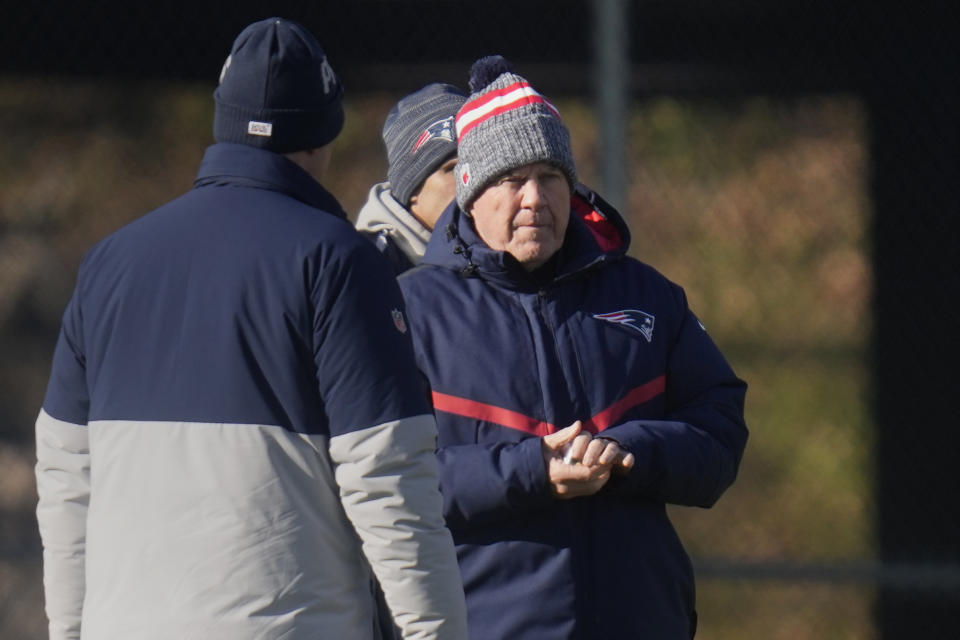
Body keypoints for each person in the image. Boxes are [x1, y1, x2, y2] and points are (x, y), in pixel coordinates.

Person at [33, 17, 468, 640]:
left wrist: (70, 630)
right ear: (324, 133)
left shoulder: (108, 263)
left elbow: (67, 475)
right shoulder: (338, 260)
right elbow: (389, 481)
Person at [397, 55, 749, 639]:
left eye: (551, 177)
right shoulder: (409, 312)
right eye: (511, 180)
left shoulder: (648, 296)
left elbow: (719, 433)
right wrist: (531, 471)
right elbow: (389, 481)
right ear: (471, 194)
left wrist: (629, 452)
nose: (534, 197)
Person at [356, 83, 467, 273]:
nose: (470, 179)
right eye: (452, 168)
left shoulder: (505, 256)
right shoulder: (365, 266)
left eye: (477, 166)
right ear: (412, 188)